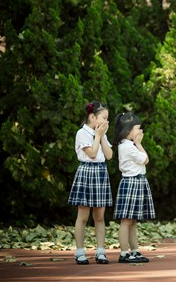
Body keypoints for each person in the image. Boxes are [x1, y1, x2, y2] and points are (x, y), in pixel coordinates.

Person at [67, 100, 113, 265]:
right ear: (93, 117)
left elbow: (109, 156)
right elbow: (92, 154)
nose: (107, 122)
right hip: (87, 172)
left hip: (101, 172)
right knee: (83, 216)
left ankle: (100, 251)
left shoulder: (101, 134)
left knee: (99, 216)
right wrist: (98, 136)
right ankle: (80, 252)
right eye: (104, 117)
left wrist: (101, 137)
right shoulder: (82, 133)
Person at [113, 112, 156, 263]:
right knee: (126, 221)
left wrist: (136, 144)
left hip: (137, 183)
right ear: (128, 130)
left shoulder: (128, 145)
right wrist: (139, 144)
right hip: (131, 183)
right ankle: (124, 253)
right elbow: (145, 159)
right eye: (138, 128)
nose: (140, 132)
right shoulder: (128, 147)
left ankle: (134, 250)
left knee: (133, 221)